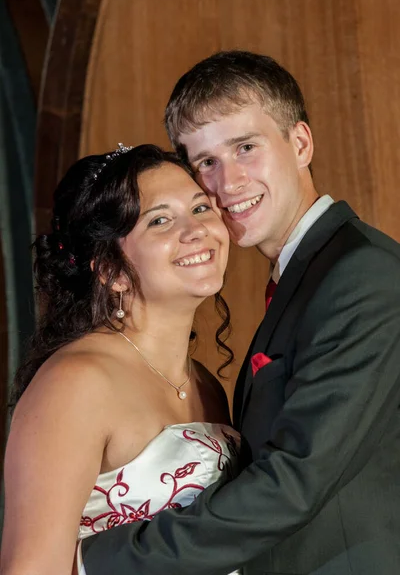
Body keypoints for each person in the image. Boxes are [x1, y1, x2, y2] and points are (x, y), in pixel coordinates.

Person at [80, 51, 400, 574]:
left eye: (245, 148)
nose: (227, 183)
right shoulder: (306, 276)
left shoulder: (360, 276)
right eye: (205, 162)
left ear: (300, 143)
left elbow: (294, 482)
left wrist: (99, 561)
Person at [0, 144, 242, 575]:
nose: (197, 230)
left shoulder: (203, 383)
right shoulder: (76, 382)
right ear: (110, 271)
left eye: (201, 208)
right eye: (160, 220)